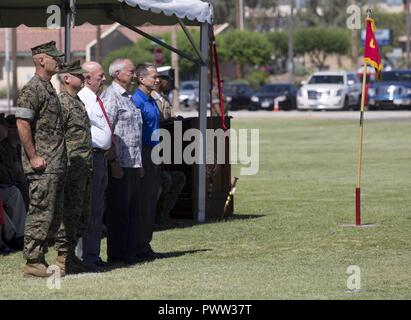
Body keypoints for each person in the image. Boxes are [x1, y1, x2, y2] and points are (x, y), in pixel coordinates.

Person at [15, 41, 67, 277]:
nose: (59, 61)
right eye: (54, 57)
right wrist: (33, 156)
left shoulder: (48, 88)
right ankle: (33, 260)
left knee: (52, 214)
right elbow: (22, 123)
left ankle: (42, 258)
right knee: (40, 212)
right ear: (41, 60)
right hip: (42, 166)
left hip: (55, 163)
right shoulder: (32, 89)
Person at [55, 60, 96, 274]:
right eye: (79, 75)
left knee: (82, 215)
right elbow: (55, 138)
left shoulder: (78, 101)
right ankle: (63, 259)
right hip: (71, 170)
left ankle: (72, 257)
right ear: (66, 78)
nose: (84, 78)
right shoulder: (61, 103)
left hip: (84, 169)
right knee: (69, 214)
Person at [100, 58, 143, 264]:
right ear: (117, 74)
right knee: (118, 211)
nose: (134, 75)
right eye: (131, 71)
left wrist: (139, 163)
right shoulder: (111, 96)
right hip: (119, 163)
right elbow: (107, 132)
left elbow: (133, 132)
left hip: (132, 162)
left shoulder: (128, 97)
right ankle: (118, 254)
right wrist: (113, 162)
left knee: (131, 210)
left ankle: (129, 250)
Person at [77, 61, 113, 266]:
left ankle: (93, 254)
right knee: (88, 209)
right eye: (100, 75)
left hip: (100, 157)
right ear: (87, 78)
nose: (104, 78)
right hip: (89, 157)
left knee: (98, 208)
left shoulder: (95, 99)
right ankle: (85, 256)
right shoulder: (82, 99)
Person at [131, 63, 164, 259]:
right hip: (143, 152)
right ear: (141, 79)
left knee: (151, 199)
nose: (157, 79)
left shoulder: (151, 99)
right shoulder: (137, 101)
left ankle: (145, 243)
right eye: (154, 76)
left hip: (154, 151)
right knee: (143, 201)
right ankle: (139, 244)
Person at [150, 68, 186, 225]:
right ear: (158, 80)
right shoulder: (150, 98)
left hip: (164, 150)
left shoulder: (162, 98)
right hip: (153, 150)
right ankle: (153, 217)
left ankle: (162, 217)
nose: (169, 83)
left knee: (176, 178)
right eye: (166, 79)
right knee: (163, 182)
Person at [0, 116, 26, 252]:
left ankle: (19, 236)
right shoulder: (4, 147)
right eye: (6, 126)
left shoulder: (14, 147)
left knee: (15, 192)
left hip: (6, 186)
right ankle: (10, 236)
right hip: (4, 185)